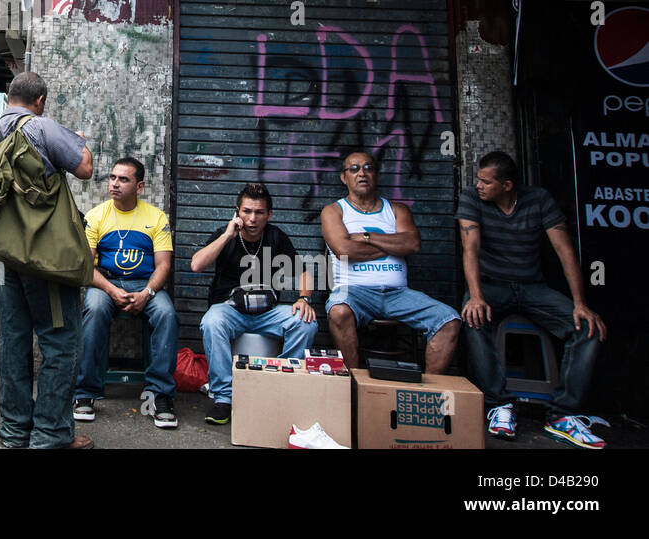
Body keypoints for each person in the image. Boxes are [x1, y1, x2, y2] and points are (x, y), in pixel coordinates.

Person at [458, 151, 609, 448]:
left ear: (508, 185)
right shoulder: (471, 199)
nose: (479, 185)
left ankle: (562, 416)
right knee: (472, 319)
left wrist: (580, 303)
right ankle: (499, 405)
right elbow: (470, 249)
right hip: (492, 285)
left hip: (532, 287)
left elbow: (564, 251)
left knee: (587, 328)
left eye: (486, 182)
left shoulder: (538, 199)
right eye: (479, 179)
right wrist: (475, 296)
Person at [0, 72, 94, 449]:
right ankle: (51, 434)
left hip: (10, 256)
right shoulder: (42, 127)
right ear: (40, 99)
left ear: (8, 97)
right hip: (47, 257)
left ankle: (14, 432)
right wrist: (79, 143)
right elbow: (85, 168)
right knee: (60, 343)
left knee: (13, 342)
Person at [322, 150, 460, 374]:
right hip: (354, 292)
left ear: (377, 175)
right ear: (343, 177)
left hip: (398, 294)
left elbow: (412, 244)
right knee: (338, 311)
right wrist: (393, 246)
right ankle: (355, 384)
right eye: (354, 169)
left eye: (368, 168)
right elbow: (344, 249)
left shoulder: (396, 210)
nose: (362, 173)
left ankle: (426, 393)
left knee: (448, 320)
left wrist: (367, 238)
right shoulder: (334, 211)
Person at [191, 182, 317, 425]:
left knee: (306, 322)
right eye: (246, 211)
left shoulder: (276, 236)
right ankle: (223, 398)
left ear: (269, 214)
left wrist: (304, 298)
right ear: (237, 212)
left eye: (259, 212)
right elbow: (196, 265)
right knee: (211, 323)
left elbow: (303, 271)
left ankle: (279, 385)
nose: (252, 218)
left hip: (267, 312)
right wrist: (228, 234)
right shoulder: (225, 234)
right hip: (229, 309)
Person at [73, 157, 179, 429]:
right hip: (106, 284)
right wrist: (111, 289)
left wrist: (146, 293)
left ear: (140, 186)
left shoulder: (155, 217)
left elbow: (164, 265)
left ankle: (160, 394)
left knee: (167, 313)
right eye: (112, 178)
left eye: (123, 179)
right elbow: (87, 264)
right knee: (94, 309)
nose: (114, 184)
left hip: (145, 283)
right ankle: (85, 393)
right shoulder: (97, 216)